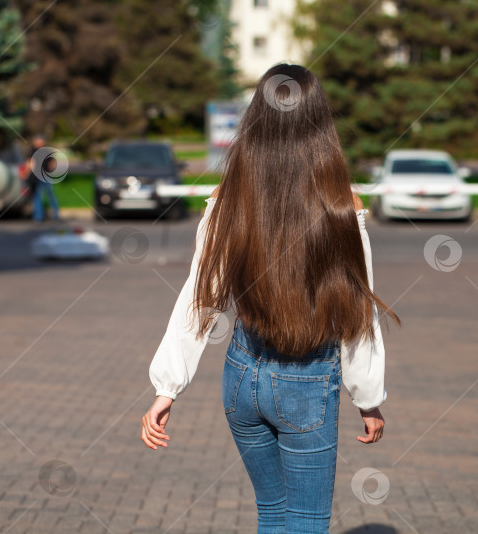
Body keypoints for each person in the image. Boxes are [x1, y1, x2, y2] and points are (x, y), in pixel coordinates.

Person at [141, 64, 400, 533]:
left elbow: (200, 298)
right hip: (308, 381)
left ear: (255, 120)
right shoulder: (343, 205)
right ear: (321, 125)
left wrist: (167, 387)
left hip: (242, 377)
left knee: (274, 514)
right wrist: (368, 397)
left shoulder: (227, 200)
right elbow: (356, 313)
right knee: (305, 522)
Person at [28, 135, 60, 222]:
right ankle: (38, 216)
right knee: (37, 196)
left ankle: (56, 215)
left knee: (50, 195)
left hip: (46, 176)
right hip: (36, 177)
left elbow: (52, 163)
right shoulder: (32, 150)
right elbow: (30, 162)